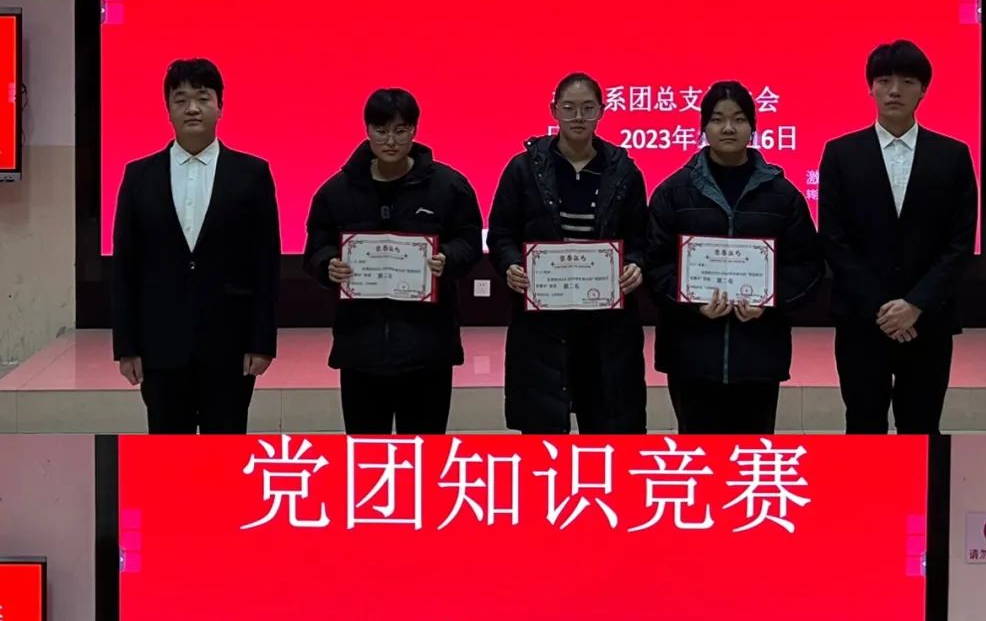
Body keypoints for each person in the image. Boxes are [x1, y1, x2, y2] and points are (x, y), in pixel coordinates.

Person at [112, 57, 280, 433]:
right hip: (161, 344)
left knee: (226, 446)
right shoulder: (138, 176)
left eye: (203, 98)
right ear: (168, 109)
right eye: (181, 99)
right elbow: (125, 267)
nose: (192, 108)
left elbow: (265, 264)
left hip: (230, 343)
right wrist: (127, 346)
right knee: (169, 449)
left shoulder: (252, 174)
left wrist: (262, 341)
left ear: (220, 105)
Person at [819, 40, 979, 434]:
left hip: (929, 320)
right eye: (884, 81)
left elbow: (959, 242)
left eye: (907, 81)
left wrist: (916, 304)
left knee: (921, 427)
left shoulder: (953, 155)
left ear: (923, 89)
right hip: (862, 320)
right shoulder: (840, 153)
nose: (894, 90)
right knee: (863, 424)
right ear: (870, 87)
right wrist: (882, 308)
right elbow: (834, 239)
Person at [645, 81, 823, 433]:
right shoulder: (673, 193)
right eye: (717, 119)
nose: (728, 128)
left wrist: (769, 301)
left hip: (758, 354)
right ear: (703, 127)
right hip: (691, 354)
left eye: (739, 119)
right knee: (697, 453)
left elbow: (808, 266)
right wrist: (693, 304)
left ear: (753, 127)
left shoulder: (782, 196)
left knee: (751, 454)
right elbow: (655, 265)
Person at [303, 87, 483, 434]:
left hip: (428, 349)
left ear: (414, 130)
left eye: (400, 130)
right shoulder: (336, 191)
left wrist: (448, 258)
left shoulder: (449, 186)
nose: (390, 140)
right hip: (361, 350)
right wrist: (328, 264)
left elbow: (470, 241)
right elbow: (316, 247)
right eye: (381, 130)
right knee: (368, 454)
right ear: (367, 129)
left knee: (424, 454)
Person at [488, 74, 648, 432]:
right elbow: (501, 234)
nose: (578, 117)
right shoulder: (523, 169)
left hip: (606, 326)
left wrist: (636, 264)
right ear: (554, 111)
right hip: (541, 325)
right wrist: (510, 264)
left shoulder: (624, 171)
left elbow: (641, 237)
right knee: (544, 437)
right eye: (569, 108)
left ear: (602, 112)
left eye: (588, 108)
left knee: (607, 434)